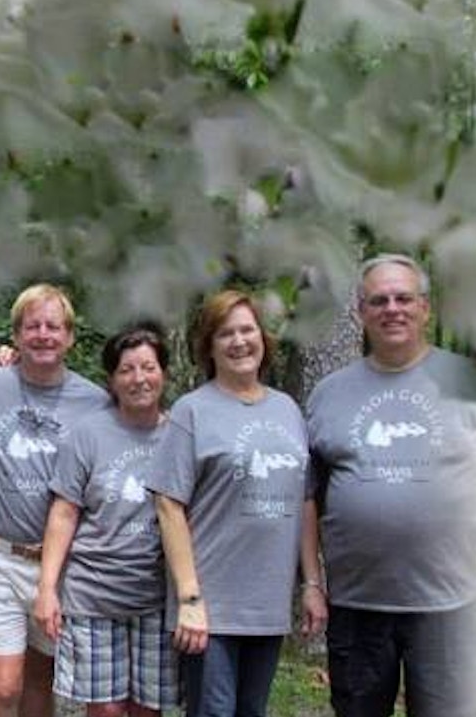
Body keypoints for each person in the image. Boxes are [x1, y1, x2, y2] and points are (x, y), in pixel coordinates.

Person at [303, 253, 476, 717]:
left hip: (448, 603)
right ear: (362, 313)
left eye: (404, 298)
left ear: (425, 308)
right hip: (357, 604)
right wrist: (312, 582)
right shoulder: (329, 393)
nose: (392, 309)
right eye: (378, 300)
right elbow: (307, 496)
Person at [148, 289, 315, 717]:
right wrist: (189, 599)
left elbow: (305, 499)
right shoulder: (193, 412)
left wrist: (312, 583)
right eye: (226, 333)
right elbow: (168, 505)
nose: (239, 341)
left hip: (268, 603)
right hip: (212, 607)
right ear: (209, 345)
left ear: (263, 338)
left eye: (247, 330)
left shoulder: (288, 411)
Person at [0, 284, 109, 717]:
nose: (43, 335)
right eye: (33, 326)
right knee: (4, 687)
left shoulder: (95, 402)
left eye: (53, 327)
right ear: (17, 335)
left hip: (59, 563)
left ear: (70, 336)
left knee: (41, 683)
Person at [33, 324, 178, 717]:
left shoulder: (181, 435)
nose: (139, 379)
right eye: (126, 370)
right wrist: (47, 589)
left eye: (148, 367)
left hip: (156, 596)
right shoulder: (88, 435)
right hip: (93, 592)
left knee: (147, 708)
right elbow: (63, 513)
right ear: (112, 380)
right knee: (108, 709)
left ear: (163, 372)